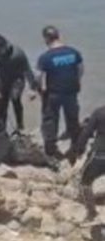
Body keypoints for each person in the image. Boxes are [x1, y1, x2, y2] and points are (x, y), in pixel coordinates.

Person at [36, 26, 84, 157]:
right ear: (58, 36)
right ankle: (76, 147)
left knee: (50, 121)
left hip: (53, 94)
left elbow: (40, 77)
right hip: (71, 91)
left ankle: (51, 151)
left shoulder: (45, 57)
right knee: (73, 119)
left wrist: (40, 90)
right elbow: (80, 69)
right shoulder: (74, 52)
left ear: (46, 39)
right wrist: (76, 81)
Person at [0, 35, 36, 133]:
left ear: (5, 46)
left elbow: (28, 71)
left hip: (17, 80)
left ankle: (20, 126)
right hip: (3, 79)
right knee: (2, 102)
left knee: (15, 98)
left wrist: (32, 88)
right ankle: (2, 128)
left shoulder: (18, 54)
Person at [68, 105, 105, 220]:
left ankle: (91, 212)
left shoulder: (99, 112)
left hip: (99, 155)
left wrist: (79, 150)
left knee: (84, 181)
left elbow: (87, 132)